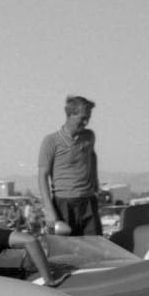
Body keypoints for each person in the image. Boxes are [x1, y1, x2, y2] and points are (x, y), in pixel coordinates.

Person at [38, 95, 100, 236]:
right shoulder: (51, 141)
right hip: (64, 204)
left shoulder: (89, 136)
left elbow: (92, 155)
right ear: (70, 115)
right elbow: (42, 176)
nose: (86, 122)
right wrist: (49, 211)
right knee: (66, 252)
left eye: (88, 117)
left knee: (95, 249)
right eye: (82, 118)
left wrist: (95, 180)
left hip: (88, 202)